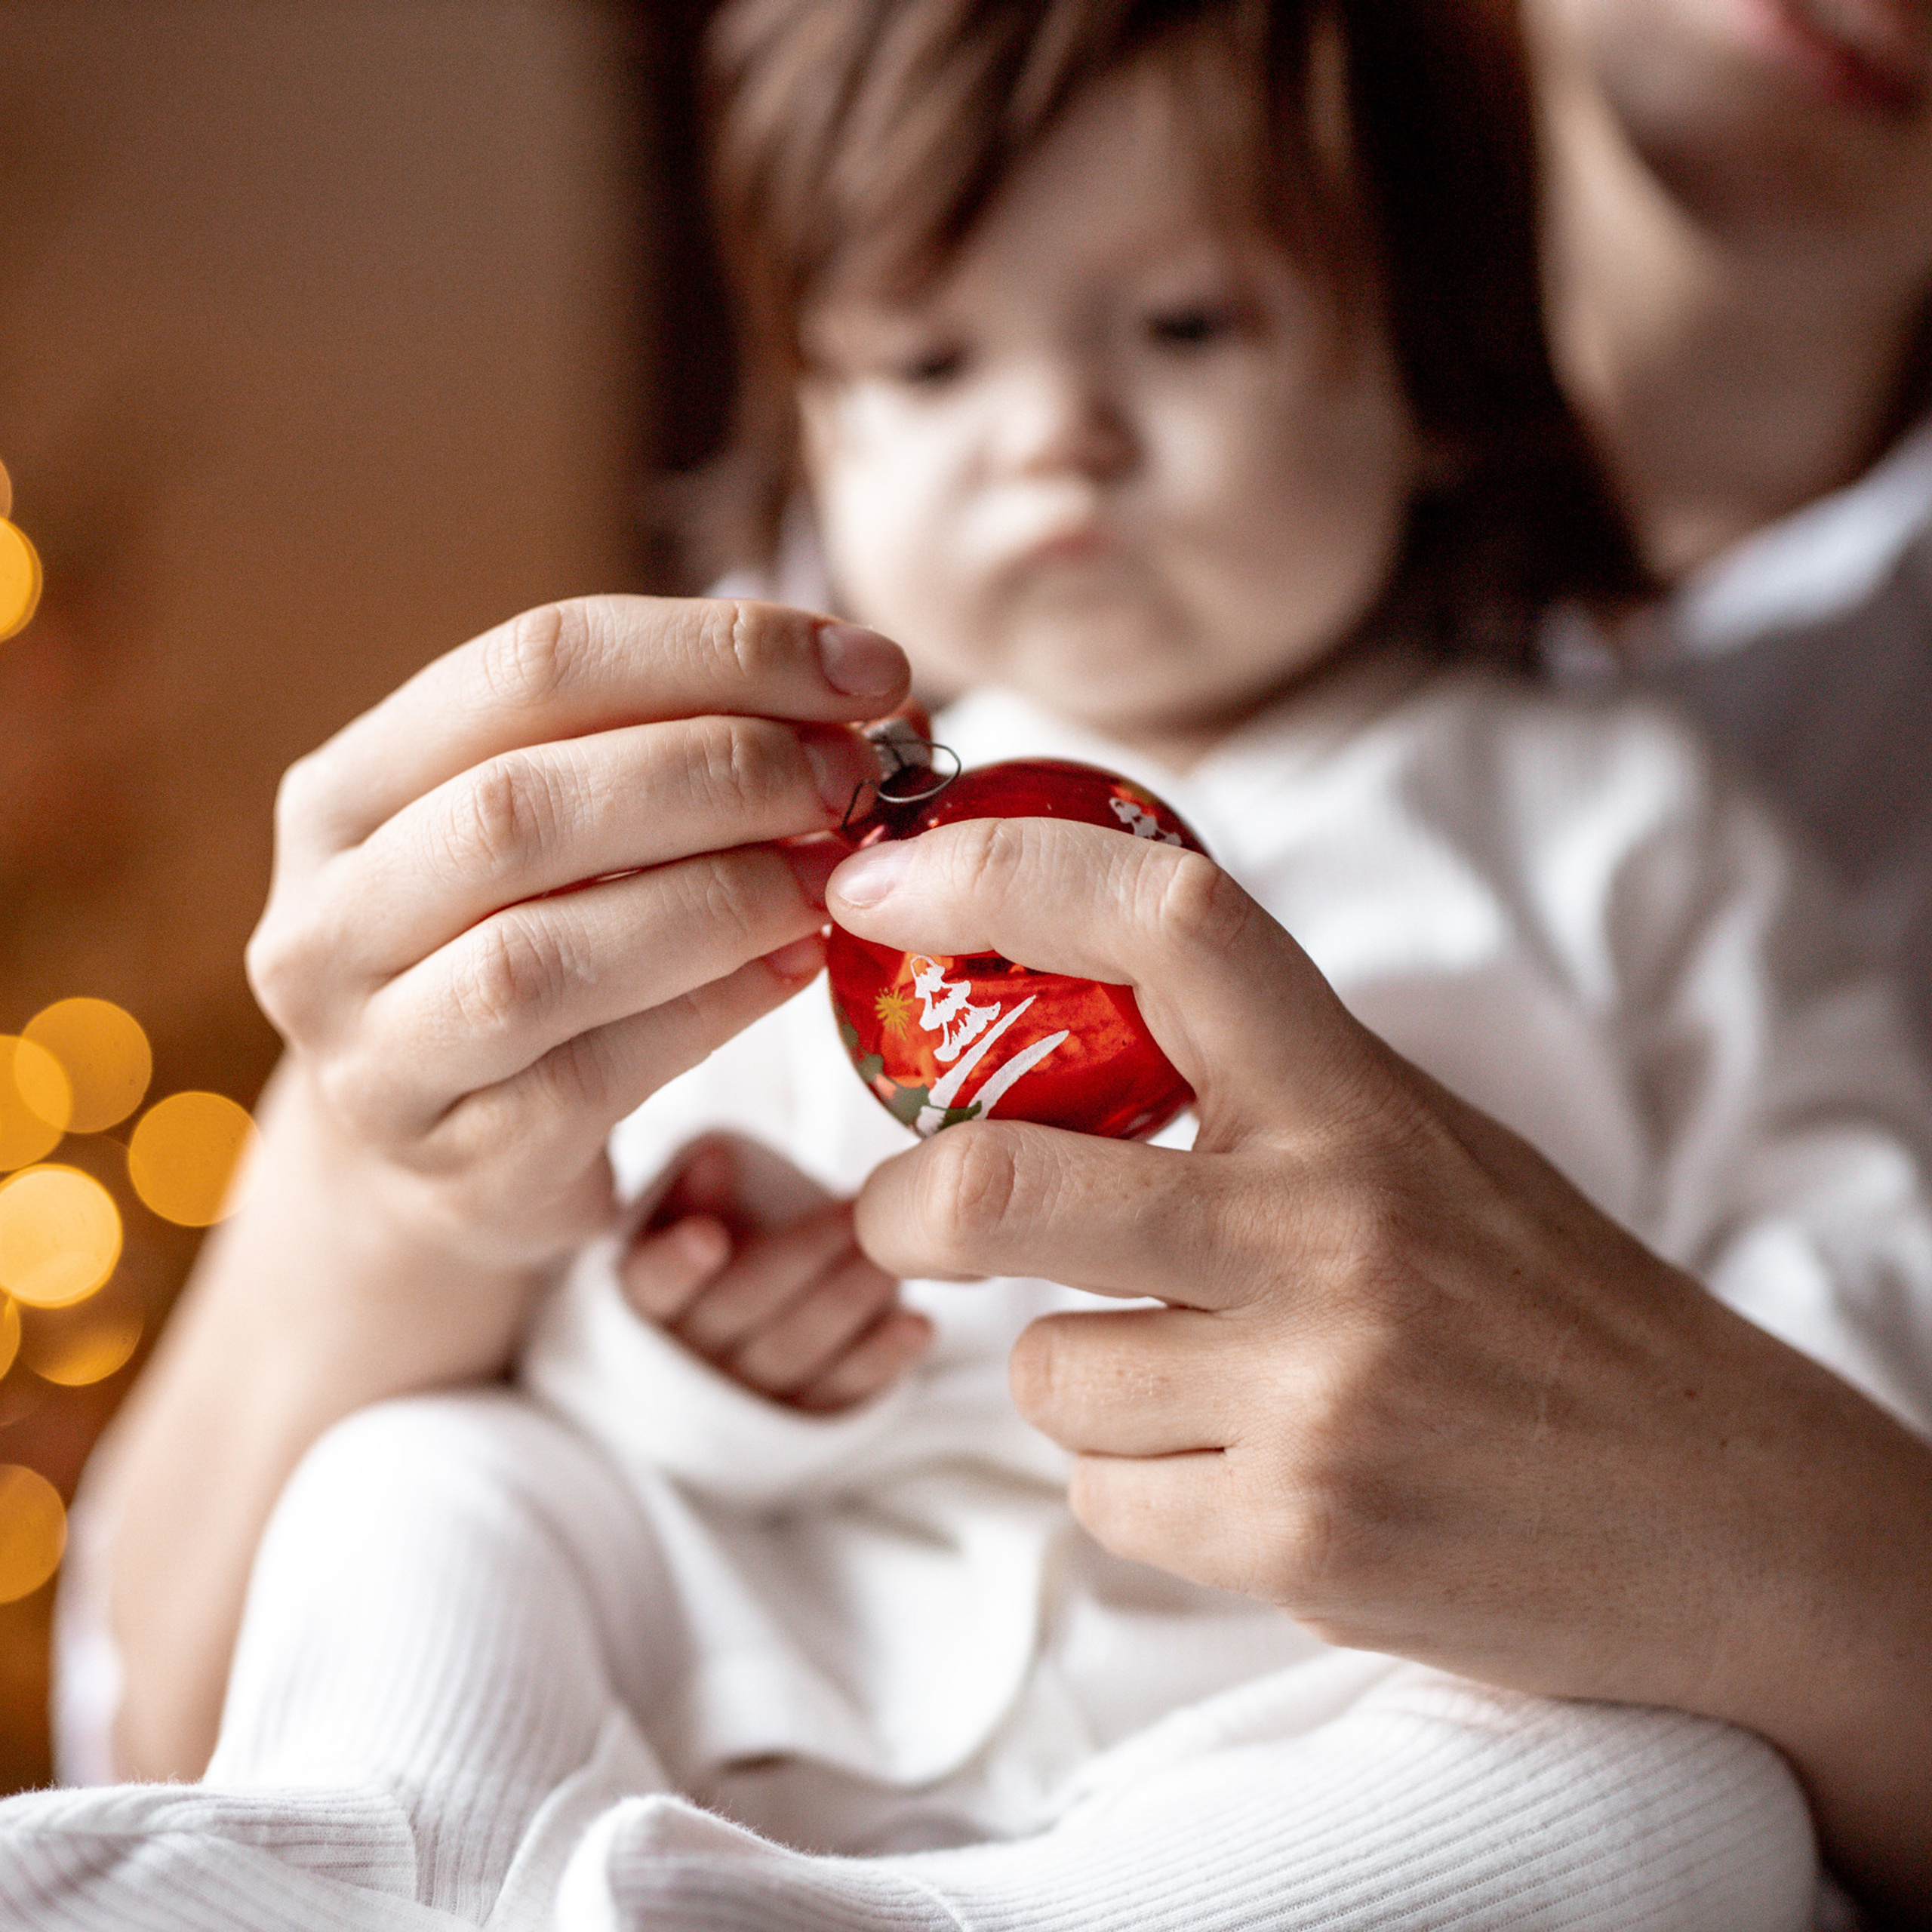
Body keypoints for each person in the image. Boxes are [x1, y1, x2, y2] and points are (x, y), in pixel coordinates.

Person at [20, 0, 1930, 1927]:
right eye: (928, 359)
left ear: (1419, 374)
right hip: (790, 1641)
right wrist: (703, 1340)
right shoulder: (774, 825)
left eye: (1185, 326)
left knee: (1676, 1810)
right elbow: (590, 1302)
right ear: (810, 434)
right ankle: (380, 1837)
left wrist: (1663, 1454)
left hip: (1305, 1727)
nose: (1053, 435)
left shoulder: (1629, 826)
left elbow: (1856, 1250)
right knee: (431, 1475)